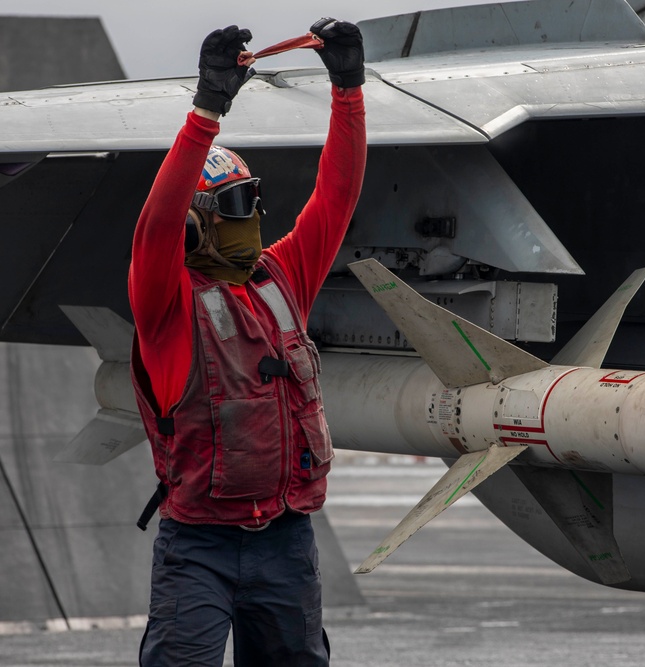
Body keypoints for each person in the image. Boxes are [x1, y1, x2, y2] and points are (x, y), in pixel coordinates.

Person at [128, 19, 366, 666]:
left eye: (254, 201)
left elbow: (335, 197)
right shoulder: (166, 305)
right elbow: (155, 224)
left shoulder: (281, 279)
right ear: (196, 227)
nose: (252, 218)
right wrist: (207, 109)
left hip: (286, 542)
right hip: (198, 546)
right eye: (235, 205)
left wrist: (348, 90)